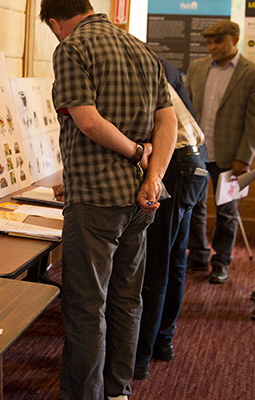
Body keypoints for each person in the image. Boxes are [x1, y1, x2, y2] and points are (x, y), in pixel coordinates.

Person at [39, 1, 177, 399]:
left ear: (55, 22)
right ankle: (117, 390)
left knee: (86, 307)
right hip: (140, 200)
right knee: (125, 299)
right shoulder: (142, 49)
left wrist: (135, 152)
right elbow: (167, 120)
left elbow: (86, 119)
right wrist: (152, 176)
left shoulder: (72, 48)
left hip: (95, 198)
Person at [134, 58, 209, 380]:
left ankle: (140, 356)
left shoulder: (137, 71)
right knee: (175, 260)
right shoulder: (159, 67)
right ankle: (163, 341)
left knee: (157, 266)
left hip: (176, 165)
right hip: (194, 163)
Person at [185, 20, 255, 284]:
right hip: (197, 154)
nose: (211, 47)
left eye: (217, 41)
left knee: (227, 212)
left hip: (233, 158)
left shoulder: (250, 72)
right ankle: (199, 254)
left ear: (234, 39)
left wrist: (245, 158)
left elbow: (253, 120)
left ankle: (221, 261)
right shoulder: (197, 68)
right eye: (209, 42)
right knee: (194, 207)